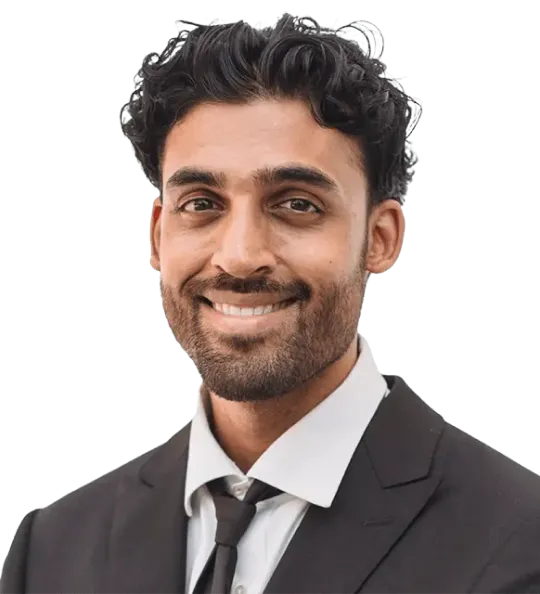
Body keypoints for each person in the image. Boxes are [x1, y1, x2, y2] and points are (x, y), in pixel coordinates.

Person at [2, 14, 539, 594]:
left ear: (380, 238)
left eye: (297, 204)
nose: (239, 257)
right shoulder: (53, 549)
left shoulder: (519, 544)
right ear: (157, 237)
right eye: (201, 203)